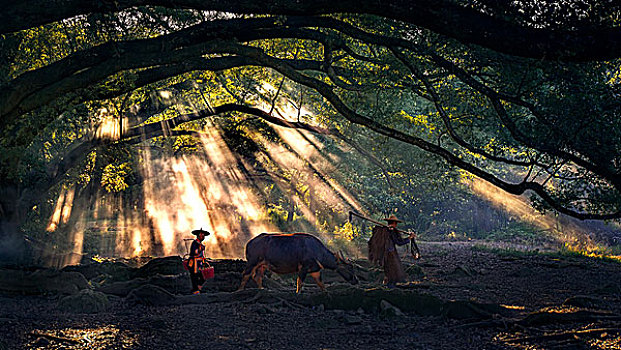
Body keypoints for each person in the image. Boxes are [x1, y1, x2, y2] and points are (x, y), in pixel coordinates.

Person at [368, 214, 416, 287]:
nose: (396, 225)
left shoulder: (387, 230)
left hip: (385, 254)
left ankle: (389, 285)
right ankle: (390, 287)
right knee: (393, 271)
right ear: (394, 223)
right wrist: (409, 238)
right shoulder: (391, 231)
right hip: (390, 254)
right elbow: (399, 242)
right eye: (395, 223)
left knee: (389, 270)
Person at [188, 228, 210, 294]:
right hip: (194, 263)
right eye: (201, 235)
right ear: (198, 235)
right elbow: (195, 252)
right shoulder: (194, 243)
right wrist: (200, 249)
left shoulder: (200, 244)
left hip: (199, 263)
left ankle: (197, 288)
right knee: (195, 277)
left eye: (203, 235)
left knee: (203, 276)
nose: (203, 236)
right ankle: (195, 290)